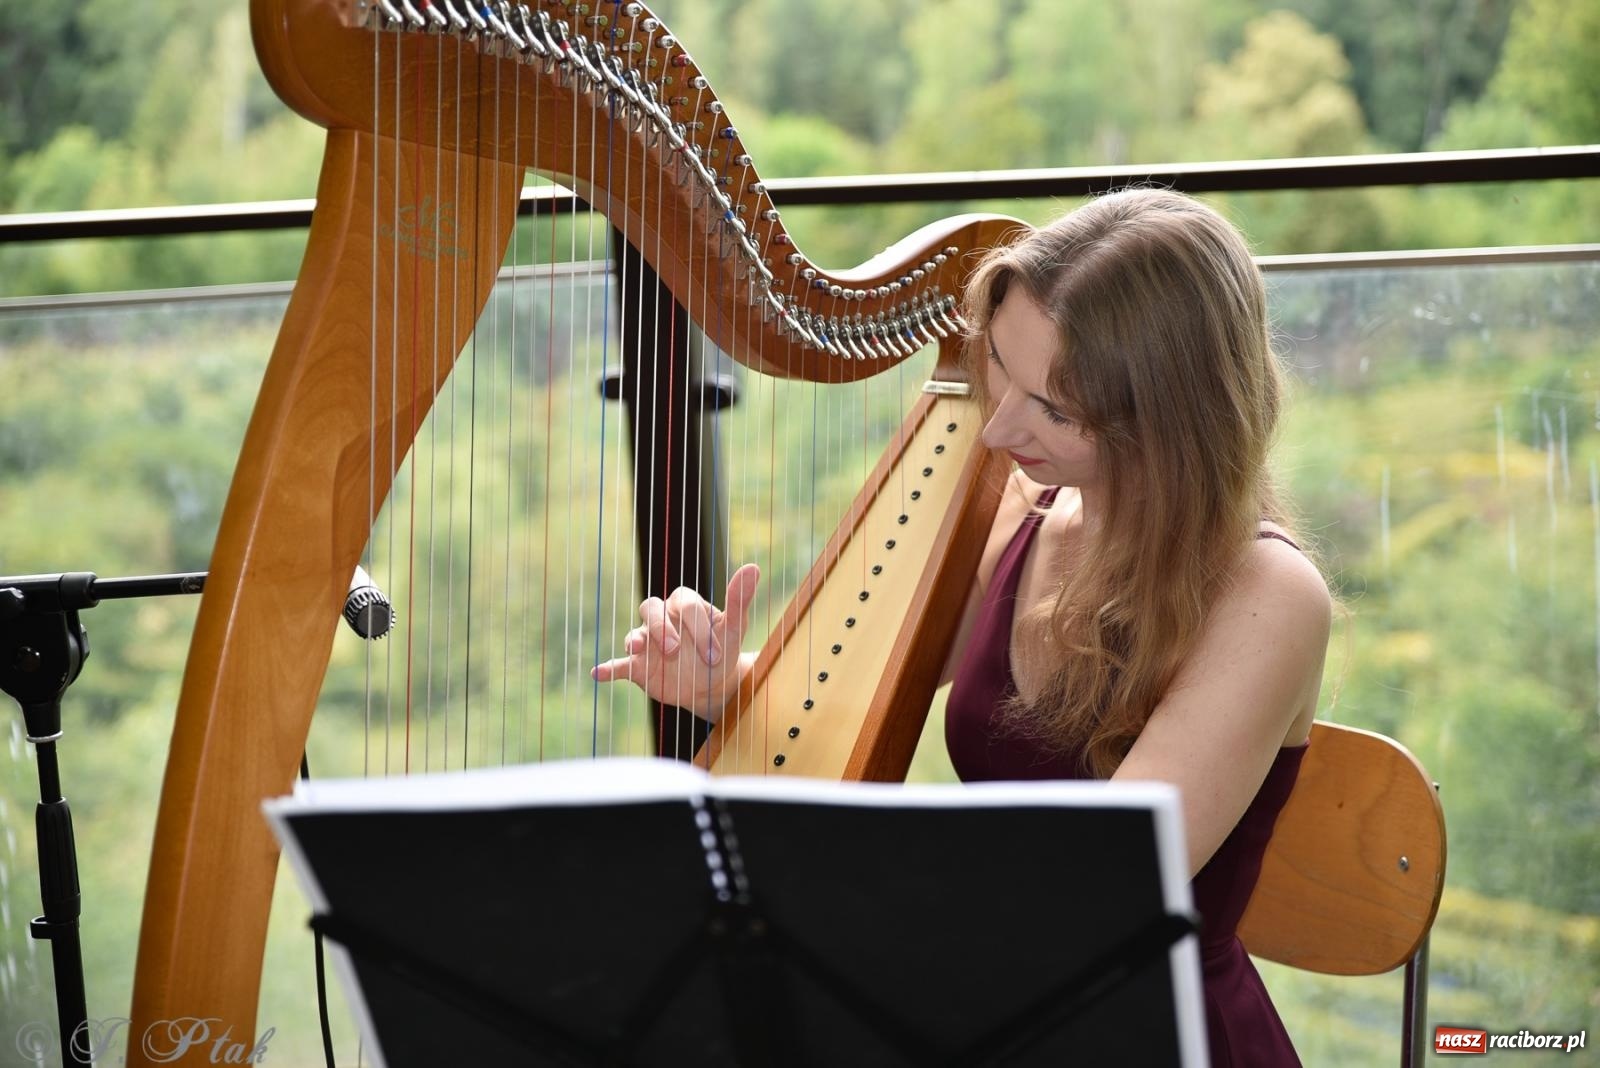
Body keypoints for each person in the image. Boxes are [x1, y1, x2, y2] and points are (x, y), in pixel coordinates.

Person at [594, 188, 1331, 1067]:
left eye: (1053, 409)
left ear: (1171, 422)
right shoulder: (1031, 512)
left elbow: (1103, 892)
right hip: (980, 1014)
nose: (999, 428)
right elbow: (862, 693)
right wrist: (723, 681)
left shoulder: (1267, 593)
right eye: (999, 369)